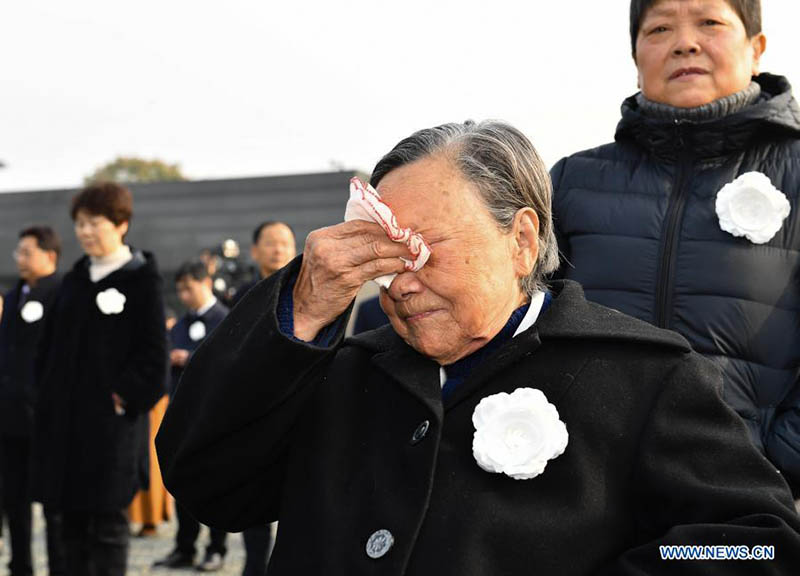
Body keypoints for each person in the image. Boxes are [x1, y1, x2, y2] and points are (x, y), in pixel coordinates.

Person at [157, 120, 800, 575]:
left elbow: (753, 544)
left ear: (521, 240)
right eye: (385, 254)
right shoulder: (339, 373)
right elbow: (209, 483)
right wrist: (298, 314)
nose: (401, 282)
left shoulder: (645, 377)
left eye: (426, 247)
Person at [550, 0, 800, 495]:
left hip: (740, 504)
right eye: (660, 27)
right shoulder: (570, 182)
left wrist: (771, 460)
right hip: (581, 494)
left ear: (757, 49)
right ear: (637, 55)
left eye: (709, 22)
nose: (685, 42)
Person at [33, 182, 167, 576]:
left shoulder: (141, 279)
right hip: (64, 429)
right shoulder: (73, 281)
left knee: (107, 529)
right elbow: (48, 348)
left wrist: (121, 398)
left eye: (95, 223)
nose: (85, 232)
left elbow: (153, 358)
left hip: (110, 431)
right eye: (80, 224)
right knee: (65, 529)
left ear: (121, 224)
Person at [153, 259, 229, 572]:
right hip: (182, 414)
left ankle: (217, 547)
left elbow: (227, 361)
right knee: (182, 480)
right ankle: (184, 546)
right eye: (180, 289)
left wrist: (192, 358)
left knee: (217, 484)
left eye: (189, 287)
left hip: (214, 416)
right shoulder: (181, 323)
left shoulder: (225, 318)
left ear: (206, 283)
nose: (184, 295)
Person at [0, 226, 65, 576]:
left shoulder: (64, 295)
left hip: (45, 416)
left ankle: (59, 567)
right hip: (9, 417)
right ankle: (20, 565)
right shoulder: (12, 296)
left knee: (54, 504)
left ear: (49, 255)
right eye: (18, 253)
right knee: (14, 500)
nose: (20, 259)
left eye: (27, 252)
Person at [232, 221, 297, 307]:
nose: (278, 250)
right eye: (270, 244)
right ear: (254, 251)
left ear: (294, 250)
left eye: (285, 244)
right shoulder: (244, 295)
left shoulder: (307, 290)